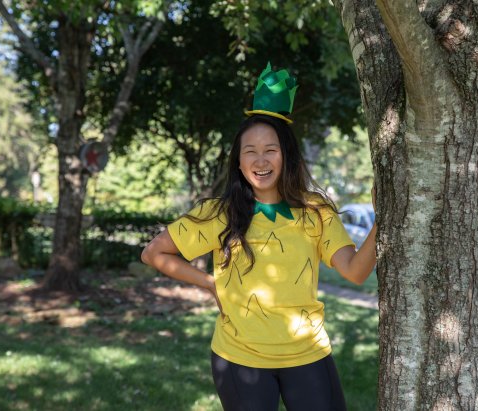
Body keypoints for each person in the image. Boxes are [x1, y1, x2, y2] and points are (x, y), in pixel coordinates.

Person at [141, 62, 377, 411]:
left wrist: (381, 219)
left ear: (287, 156)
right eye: (249, 150)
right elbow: (154, 253)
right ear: (238, 161)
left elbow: (356, 272)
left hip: (308, 352)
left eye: (271, 149)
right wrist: (209, 283)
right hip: (240, 358)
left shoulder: (316, 210)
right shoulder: (218, 213)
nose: (260, 159)